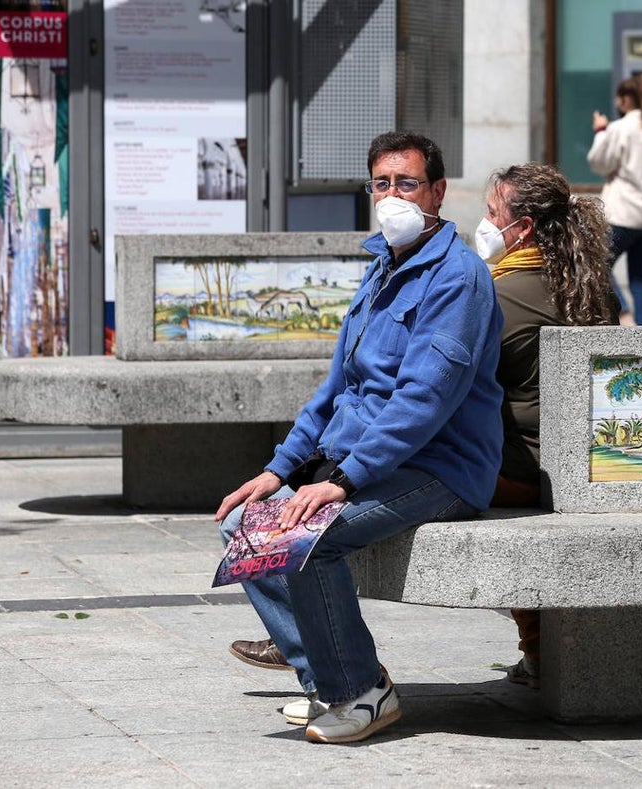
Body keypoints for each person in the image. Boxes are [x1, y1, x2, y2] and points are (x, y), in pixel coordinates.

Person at [215, 131, 504, 745]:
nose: (393, 195)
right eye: (382, 183)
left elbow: (423, 400)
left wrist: (343, 481)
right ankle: (331, 681)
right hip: (369, 463)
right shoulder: (382, 267)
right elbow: (337, 386)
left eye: (407, 183)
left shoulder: (458, 278)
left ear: (438, 192)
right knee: (245, 526)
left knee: (306, 538)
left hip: (440, 469)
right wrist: (279, 469)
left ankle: (361, 694)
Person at [474, 162, 617, 687]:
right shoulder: (592, 284)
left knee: (435, 471)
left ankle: (314, 633)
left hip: (523, 472)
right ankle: (538, 650)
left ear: (524, 228)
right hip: (585, 466)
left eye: (492, 213)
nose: (484, 223)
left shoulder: (499, 296)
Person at [587, 73, 642, 327]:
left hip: (623, 215)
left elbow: (598, 161)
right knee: (640, 277)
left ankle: (621, 313)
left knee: (594, 262)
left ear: (626, 99)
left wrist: (601, 130)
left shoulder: (620, 128)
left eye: (619, 97)